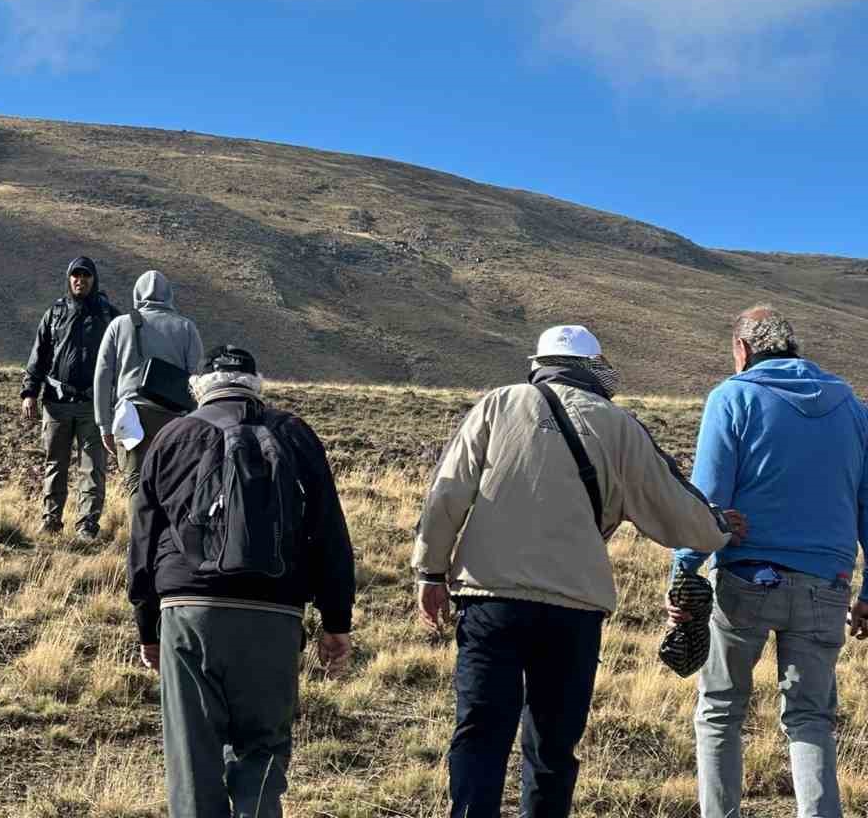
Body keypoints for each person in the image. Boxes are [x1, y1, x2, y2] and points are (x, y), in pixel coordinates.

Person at [414, 323, 744, 818]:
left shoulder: (499, 404)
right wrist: (718, 529)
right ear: (594, 369)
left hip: (490, 601)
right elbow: (674, 506)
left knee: (480, 733)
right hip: (575, 609)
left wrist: (430, 572)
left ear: (540, 364)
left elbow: (447, 493)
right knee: (552, 746)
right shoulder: (619, 424)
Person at [128, 344, 355, 818]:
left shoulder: (173, 436)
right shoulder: (294, 434)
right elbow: (329, 532)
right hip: (275, 614)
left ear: (200, 387)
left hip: (188, 613)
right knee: (264, 754)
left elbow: (144, 541)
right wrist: (335, 621)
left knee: (193, 761)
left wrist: (147, 627)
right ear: (257, 385)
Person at [665, 306, 868, 818]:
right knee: (810, 718)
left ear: (743, 350)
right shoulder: (852, 409)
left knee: (720, 712)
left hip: (746, 579)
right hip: (829, 581)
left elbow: (707, 500)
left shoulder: (732, 396)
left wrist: (684, 574)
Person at [21, 255, 120, 538]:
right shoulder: (55, 314)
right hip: (56, 403)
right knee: (56, 464)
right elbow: (37, 356)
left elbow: (123, 359)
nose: (80, 280)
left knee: (93, 467)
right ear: (69, 279)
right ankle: (51, 520)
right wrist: (30, 392)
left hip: (94, 406)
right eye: (75, 275)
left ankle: (87, 525)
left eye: (86, 275)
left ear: (94, 279)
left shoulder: (109, 316)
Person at [93, 269, 204, 495]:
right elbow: (198, 380)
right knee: (171, 491)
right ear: (169, 294)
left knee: (137, 489)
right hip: (174, 421)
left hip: (130, 418)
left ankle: (139, 530)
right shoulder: (186, 328)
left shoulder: (119, 325)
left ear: (137, 293)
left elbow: (102, 377)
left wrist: (104, 424)